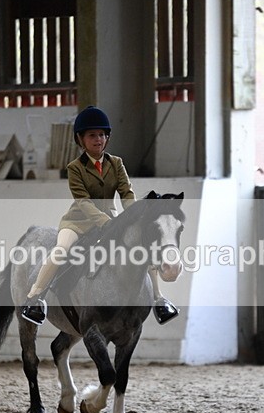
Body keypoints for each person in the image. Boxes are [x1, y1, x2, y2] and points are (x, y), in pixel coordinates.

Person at [20, 105, 179, 326]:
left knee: (142, 244)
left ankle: (159, 299)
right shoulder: (75, 168)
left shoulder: (117, 163)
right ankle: (34, 298)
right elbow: (83, 201)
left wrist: (134, 216)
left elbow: (126, 192)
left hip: (112, 220)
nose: (98, 139)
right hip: (77, 222)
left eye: (102, 135)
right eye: (92, 135)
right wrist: (106, 222)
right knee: (60, 251)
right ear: (81, 139)